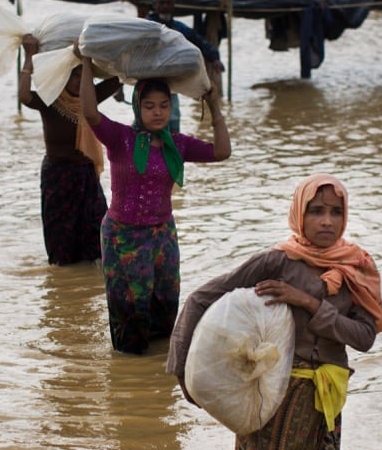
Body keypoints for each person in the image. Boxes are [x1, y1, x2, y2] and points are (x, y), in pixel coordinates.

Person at [166, 174, 382, 450]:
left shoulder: (356, 269)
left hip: (326, 395)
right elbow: (201, 298)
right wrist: (183, 370)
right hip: (272, 393)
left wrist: (312, 304)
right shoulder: (278, 262)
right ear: (299, 214)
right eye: (316, 211)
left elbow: (363, 337)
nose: (327, 221)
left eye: (335, 211)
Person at [79, 54, 231, 354]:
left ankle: (156, 382)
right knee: (129, 309)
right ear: (137, 107)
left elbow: (222, 152)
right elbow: (89, 112)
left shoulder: (178, 144)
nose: (157, 112)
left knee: (165, 301)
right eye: (149, 106)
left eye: (164, 105)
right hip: (123, 236)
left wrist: (214, 106)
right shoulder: (121, 138)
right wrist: (85, 64)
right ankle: (130, 374)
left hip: (163, 235)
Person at [19, 34, 121, 265]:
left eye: (81, 77)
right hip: (58, 175)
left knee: (96, 229)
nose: (77, 81)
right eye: (73, 76)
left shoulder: (89, 99)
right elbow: (25, 96)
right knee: (60, 235)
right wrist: (29, 57)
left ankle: (86, 280)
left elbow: (116, 81)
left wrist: (88, 58)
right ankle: (65, 279)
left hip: (85, 175)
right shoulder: (51, 99)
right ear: (63, 78)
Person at [147, 0, 226, 131]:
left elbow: (199, 41)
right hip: (148, 82)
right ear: (155, 5)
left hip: (169, 82)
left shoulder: (178, 28)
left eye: (168, 3)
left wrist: (214, 57)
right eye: (161, 2)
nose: (165, 6)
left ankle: (173, 151)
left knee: (173, 119)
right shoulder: (146, 26)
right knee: (147, 120)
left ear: (173, 5)